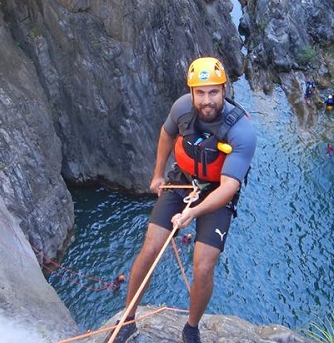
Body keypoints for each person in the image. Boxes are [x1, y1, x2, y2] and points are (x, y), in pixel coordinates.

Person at [108, 57, 257, 343]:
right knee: (150, 248)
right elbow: (166, 135)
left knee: (203, 265)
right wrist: (157, 174)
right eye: (200, 93)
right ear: (191, 93)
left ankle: (191, 328)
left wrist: (194, 212)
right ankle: (127, 319)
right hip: (181, 180)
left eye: (213, 92)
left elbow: (228, 186)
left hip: (216, 191)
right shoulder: (182, 109)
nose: (207, 100)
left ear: (224, 89)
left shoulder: (241, 131)